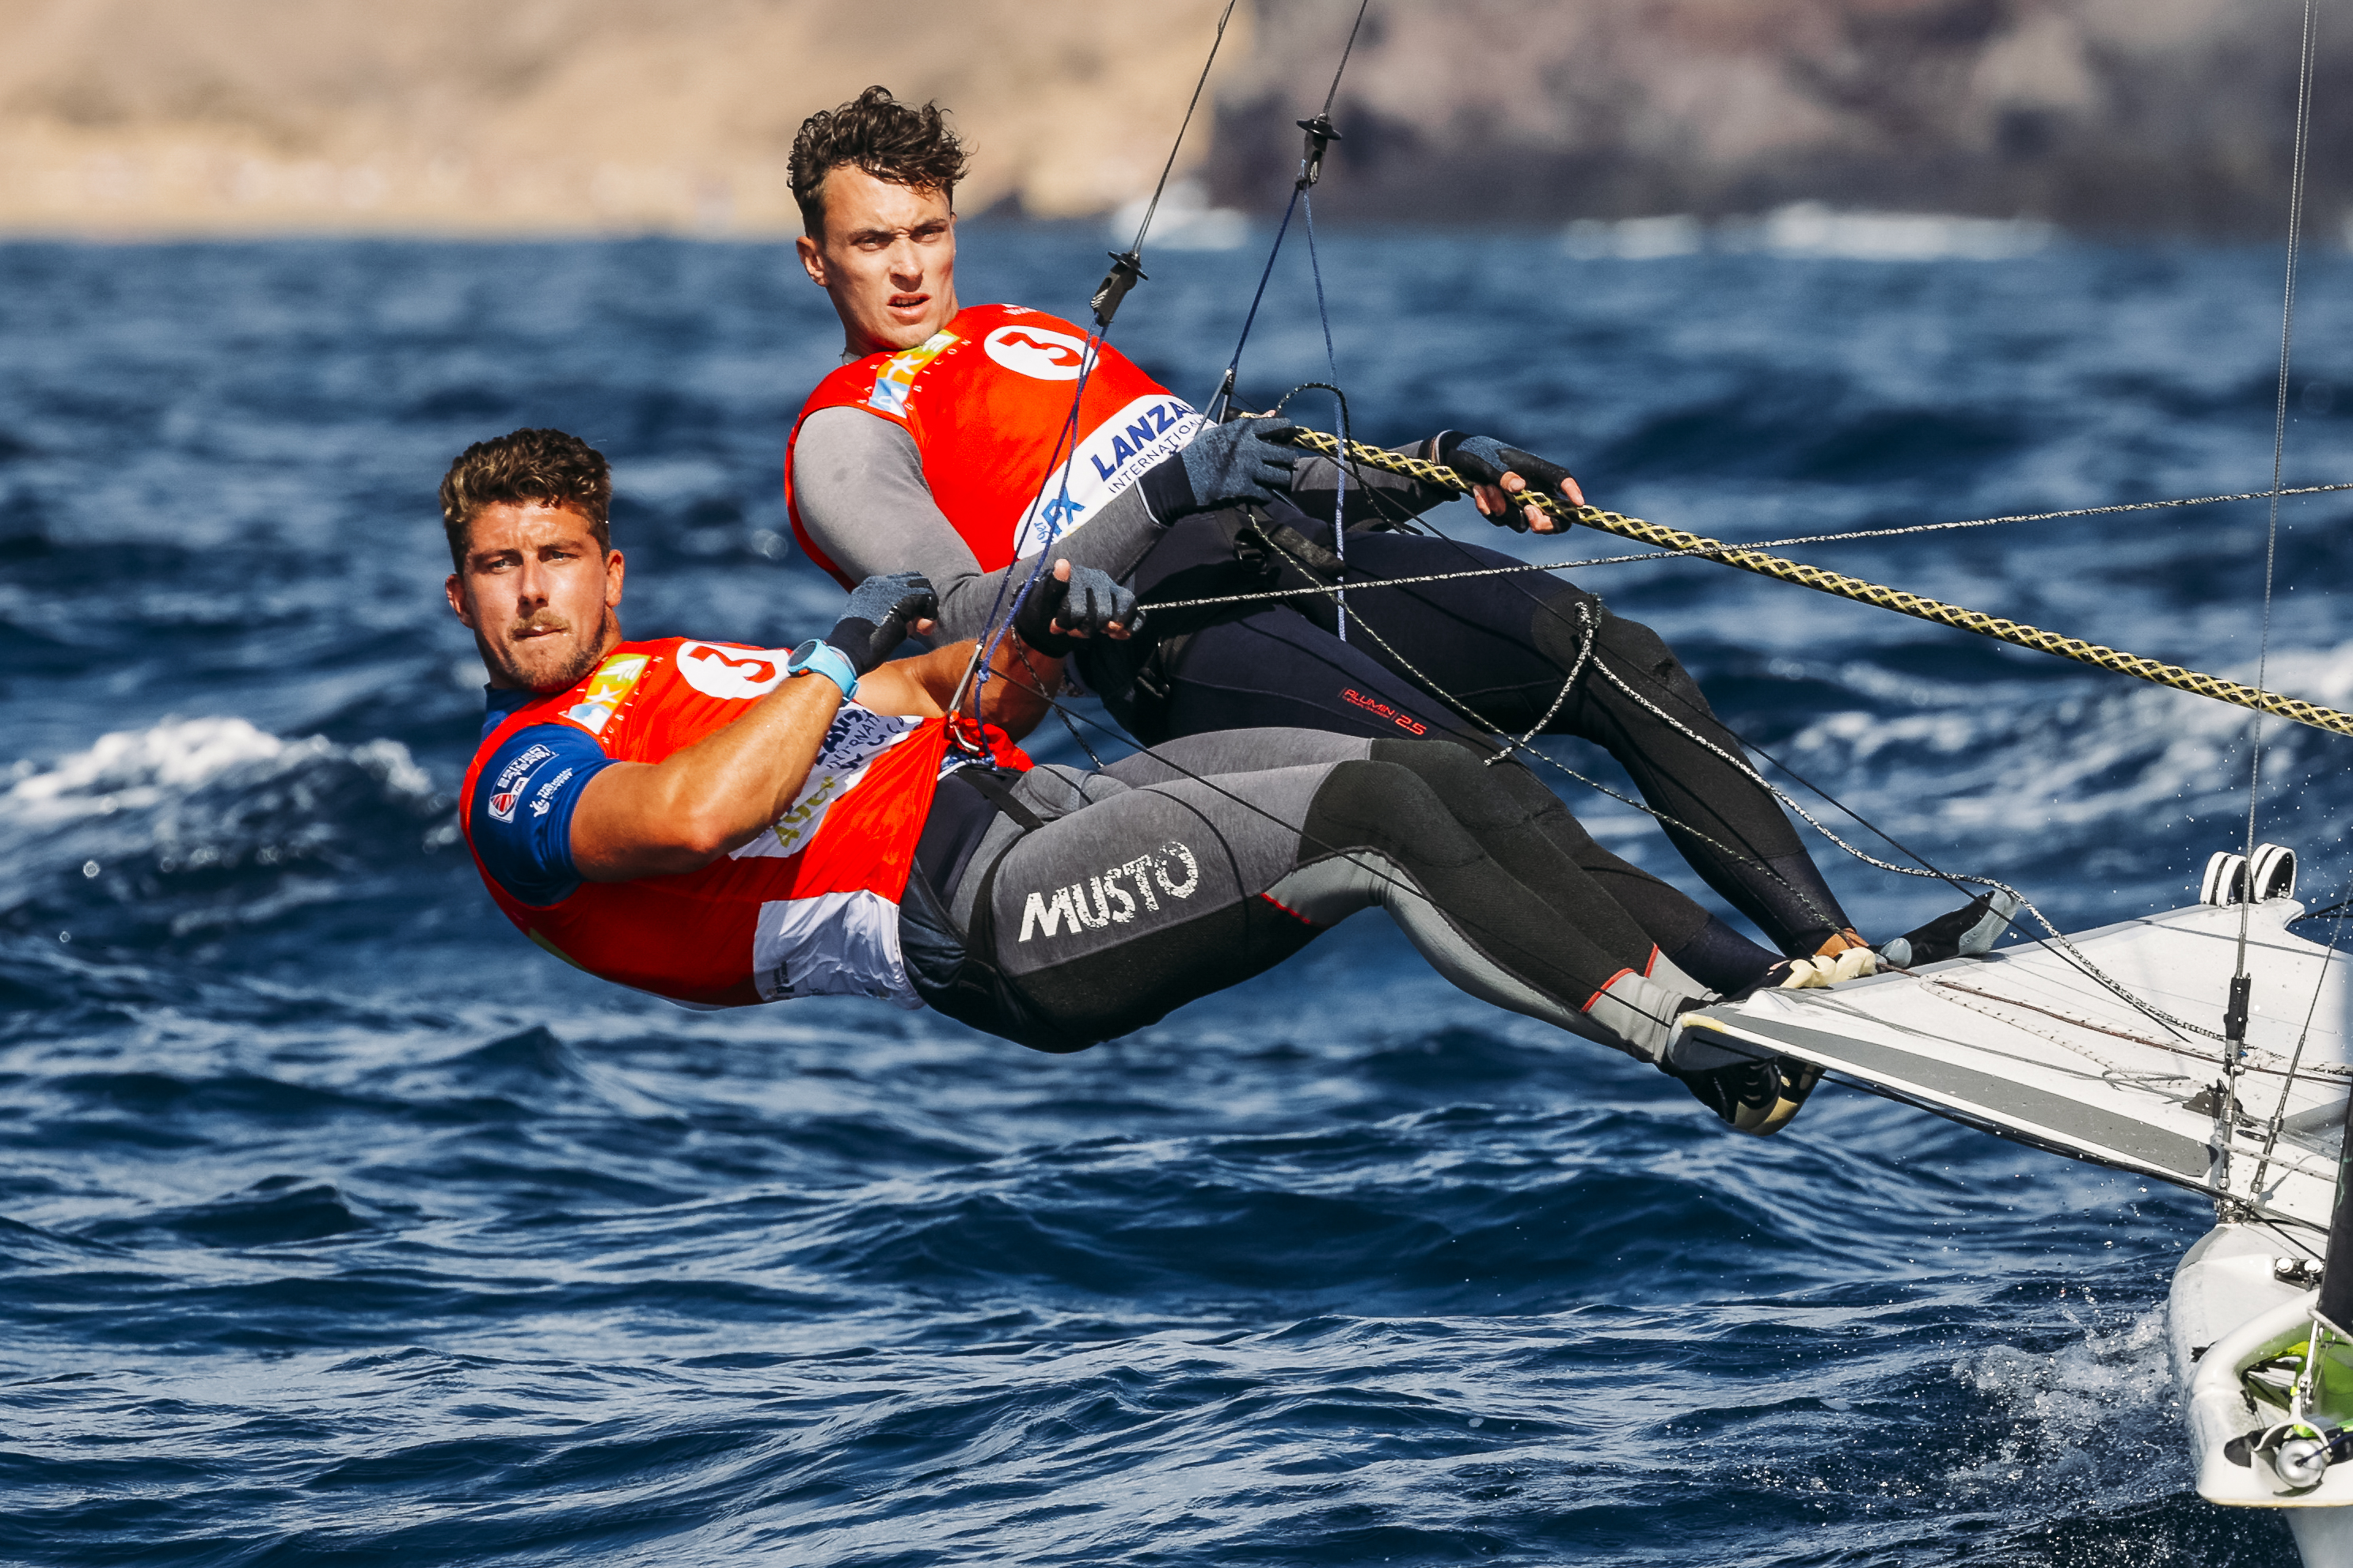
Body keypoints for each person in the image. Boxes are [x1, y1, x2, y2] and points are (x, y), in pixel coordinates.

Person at [778, 87, 2012, 1013]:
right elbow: (968, 615)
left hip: (1289, 548)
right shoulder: (844, 433)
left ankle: (1841, 951)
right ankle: (1759, 1000)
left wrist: (1435, 464)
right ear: (816, 257)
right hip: (1175, 633)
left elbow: (1256, 468)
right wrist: (1162, 496)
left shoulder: (1027, 331)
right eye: (874, 242)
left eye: (926, 232)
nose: (908, 266)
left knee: (1601, 649)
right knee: (1475, 785)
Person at [443, 427, 1881, 1135]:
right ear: (462, 600)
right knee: (1372, 824)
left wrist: (1046, 635)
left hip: (1044, 815)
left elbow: (944, 691)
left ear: (607, 569)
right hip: (985, 921)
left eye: (555, 556)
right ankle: (1705, 1051)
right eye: (499, 568)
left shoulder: (690, 663)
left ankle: (1765, 983)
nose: (532, 592)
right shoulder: (520, 777)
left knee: (1431, 766)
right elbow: (702, 813)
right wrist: (838, 644)